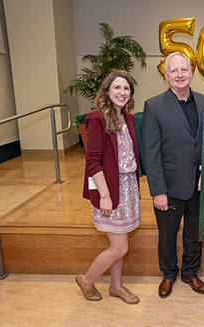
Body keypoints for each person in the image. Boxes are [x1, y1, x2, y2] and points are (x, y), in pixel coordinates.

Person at [141, 52, 204, 298]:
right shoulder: (154, 106)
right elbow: (150, 153)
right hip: (169, 187)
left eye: (184, 70)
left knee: (195, 234)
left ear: (191, 72)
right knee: (167, 235)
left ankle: (190, 272)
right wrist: (158, 191)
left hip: (201, 186)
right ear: (166, 75)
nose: (180, 75)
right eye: (174, 71)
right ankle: (169, 273)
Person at [77, 70, 141, 304]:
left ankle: (116, 286)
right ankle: (86, 280)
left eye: (126, 88)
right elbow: (93, 161)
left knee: (120, 244)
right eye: (117, 87)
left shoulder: (129, 118)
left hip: (128, 188)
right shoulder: (96, 118)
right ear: (107, 90)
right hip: (109, 189)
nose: (122, 92)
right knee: (120, 247)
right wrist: (104, 195)